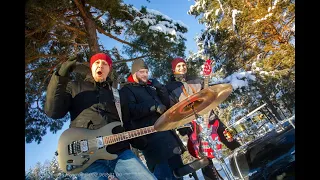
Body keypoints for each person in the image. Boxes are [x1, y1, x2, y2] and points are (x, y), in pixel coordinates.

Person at [44, 53, 157, 180]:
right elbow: (53, 111)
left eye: (104, 64)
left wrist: (140, 141)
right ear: (91, 67)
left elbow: (126, 123)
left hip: (120, 152)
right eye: (97, 63)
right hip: (87, 157)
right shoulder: (75, 86)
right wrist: (60, 76)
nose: (100, 66)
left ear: (109, 69)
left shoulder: (118, 95)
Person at [165, 57, 241, 180]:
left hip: (211, 119)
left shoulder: (195, 80)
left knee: (231, 141)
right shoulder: (169, 88)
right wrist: (184, 129)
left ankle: (247, 164)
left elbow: (208, 94)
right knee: (206, 158)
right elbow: (173, 111)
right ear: (173, 69)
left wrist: (207, 77)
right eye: (178, 66)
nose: (182, 68)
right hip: (195, 126)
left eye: (183, 65)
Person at [119, 59, 185, 180]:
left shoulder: (150, 87)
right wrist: (152, 107)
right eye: (141, 72)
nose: (145, 75)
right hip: (152, 143)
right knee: (164, 175)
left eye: (146, 72)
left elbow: (166, 103)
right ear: (134, 73)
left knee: (179, 175)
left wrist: (160, 87)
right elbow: (130, 111)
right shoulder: (126, 90)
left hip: (169, 138)